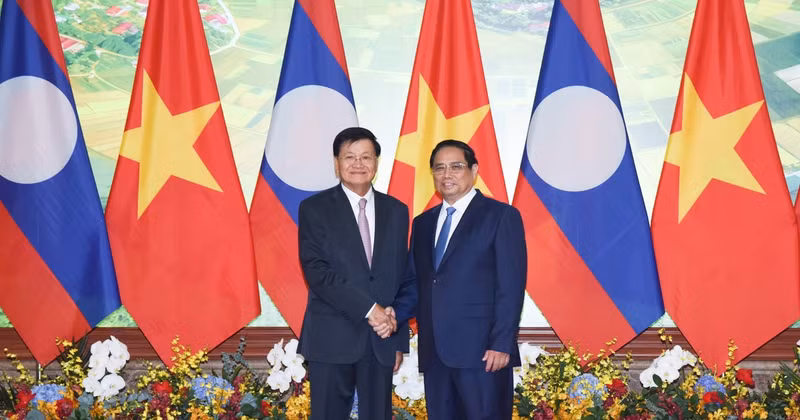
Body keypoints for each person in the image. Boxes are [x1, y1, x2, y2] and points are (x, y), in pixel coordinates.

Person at [392, 139, 527, 419]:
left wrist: (501, 343)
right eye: (439, 168)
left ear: (474, 170)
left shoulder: (501, 216)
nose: (446, 174)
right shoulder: (423, 222)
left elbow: (511, 286)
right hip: (435, 356)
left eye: (456, 166)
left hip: (483, 355)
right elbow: (416, 284)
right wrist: (391, 317)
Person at [297, 127, 412, 419]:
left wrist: (395, 335)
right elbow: (318, 272)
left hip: (381, 341)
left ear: (376, 163)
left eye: (366, 157)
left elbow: (403, 276)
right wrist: (371, 310)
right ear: (336, 163)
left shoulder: (397, 210)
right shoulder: (314, 208)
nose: (358, 164)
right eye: (349, 157)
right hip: (331, 338)